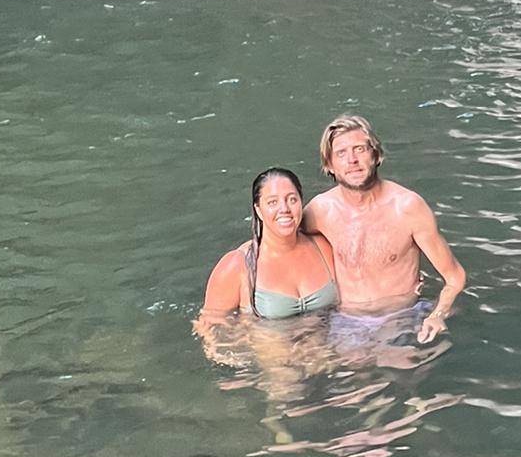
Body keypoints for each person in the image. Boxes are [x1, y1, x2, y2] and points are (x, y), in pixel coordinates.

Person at [303, 114, 465, 344]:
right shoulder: (320, 210)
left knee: (401, 373)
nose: (352, 160)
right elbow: (276, 243)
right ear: (329, 165)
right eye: (341, 153)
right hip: (344, 320)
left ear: (376, 155)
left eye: (359, 149)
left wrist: (437, 315)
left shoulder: (408, 207)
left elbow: (455, 277)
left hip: (402, 317)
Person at [198, 167, 340, 322]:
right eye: (272, 202)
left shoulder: (323, 247)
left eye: (292, 199)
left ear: (301, 202)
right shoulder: (237, 266)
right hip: (268, 345)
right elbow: (209, 329)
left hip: (329, 346)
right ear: (258, 210)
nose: (284, 209)